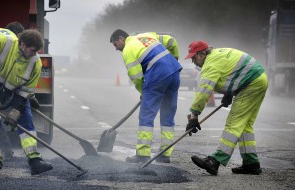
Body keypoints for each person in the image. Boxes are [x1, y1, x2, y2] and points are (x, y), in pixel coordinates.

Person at [185, 41, 268, 175]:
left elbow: (204, 91)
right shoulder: (217, 55)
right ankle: (251, 163)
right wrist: (229, 93)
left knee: (233, 123)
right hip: (258, 79)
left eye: (194, 57)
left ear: (202, 53)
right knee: (244, 125)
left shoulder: (210, 64)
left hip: (251, 83)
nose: (193, 60)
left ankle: (215, 161)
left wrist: (194, 116)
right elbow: (231, 72)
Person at [0, 27, 52, 177]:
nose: (34, 54)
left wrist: (16, 111)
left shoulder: (36, 63)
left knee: (26, 120)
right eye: (32, 50)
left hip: (14, 93)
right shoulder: (1, 43)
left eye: (36, 51)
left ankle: (34, 160)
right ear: (22, 44)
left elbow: (25, 92)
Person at [110, 29, 182, 163]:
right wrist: (174, 59)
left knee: (146, 116)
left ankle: (143, 154)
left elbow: (136, 76)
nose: (116, 49)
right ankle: (165, 154)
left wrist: (144, 92)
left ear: (121, 39)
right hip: (174, 72)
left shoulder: (128, 49)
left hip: (157, 75)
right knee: (167, 115)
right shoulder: (147, 36)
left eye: (115, 44)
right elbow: (172, 41)